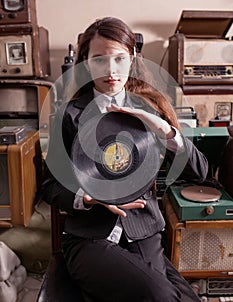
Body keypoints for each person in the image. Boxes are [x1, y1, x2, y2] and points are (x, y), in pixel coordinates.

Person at [39, 17, 208, 302]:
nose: (111, 70)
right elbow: (48, 186)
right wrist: (89, 199)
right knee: (161, 295)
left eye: (119, 59)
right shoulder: (68, 116)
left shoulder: (152, 107)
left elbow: (200, 173)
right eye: (99, 60)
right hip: (88, 238)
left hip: (144, 234)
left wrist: (165, 130)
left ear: (132, 59)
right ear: (85, 62)